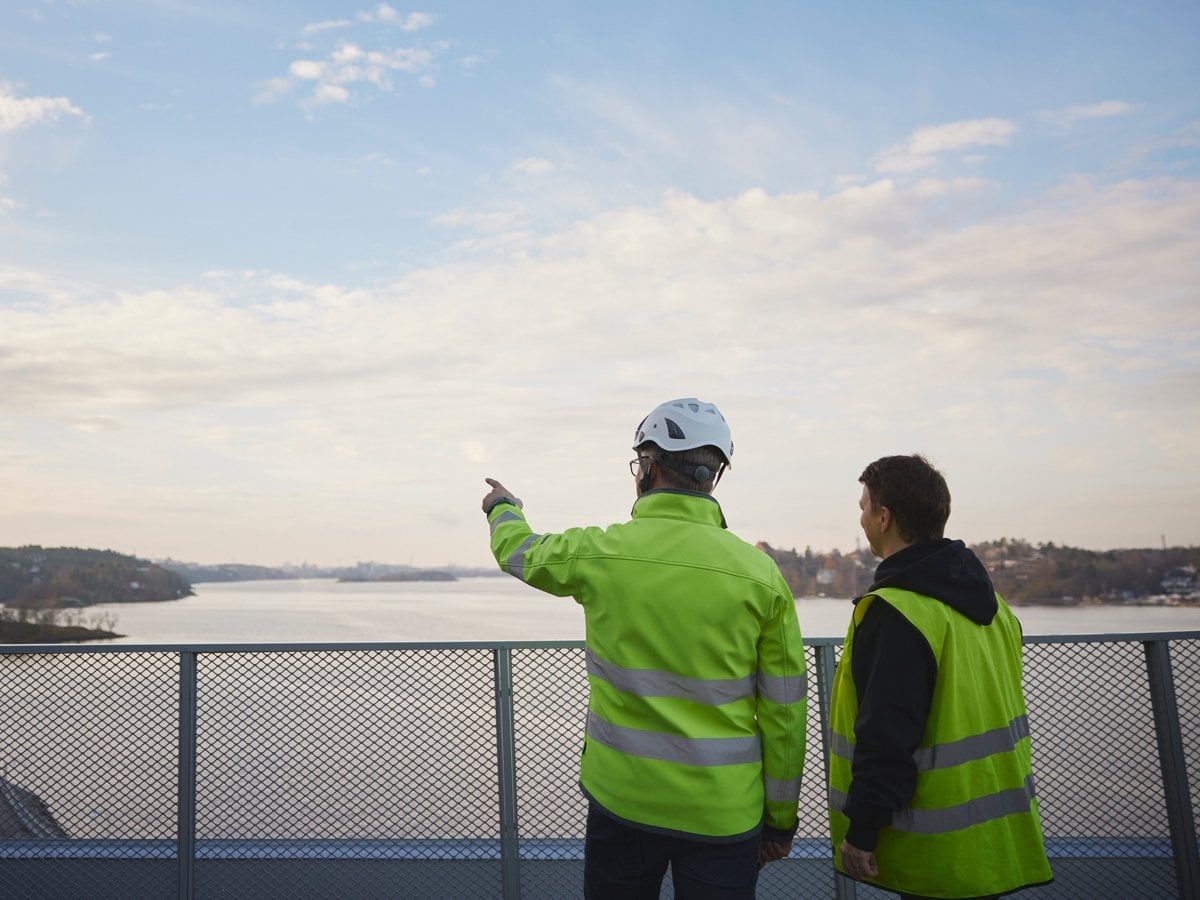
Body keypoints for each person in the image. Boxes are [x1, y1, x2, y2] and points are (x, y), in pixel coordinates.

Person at [481, 398, 807, 899]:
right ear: (712, 476)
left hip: (623, 802)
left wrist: (504, 508)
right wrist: (780, 821)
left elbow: (519, 553)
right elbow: (785, 714)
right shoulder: (760, 576)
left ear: (649, 467)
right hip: (723, 811)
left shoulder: (601, 551)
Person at [828, 454, 1053, 899]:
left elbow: (887, 734)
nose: (861, 516)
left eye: (863, 506)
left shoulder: (895, 613)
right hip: (996, 842)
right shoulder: (994, 608)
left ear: (884, 517)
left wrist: (863, 830)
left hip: (937, 852)